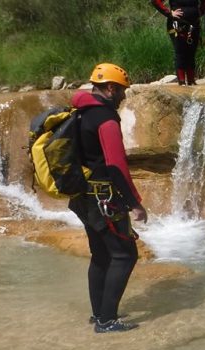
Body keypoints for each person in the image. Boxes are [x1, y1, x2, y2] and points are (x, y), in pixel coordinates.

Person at [68, 63, 148, 332]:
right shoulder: (106, 118)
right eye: (122, 91)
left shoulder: (78, 113)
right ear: (111, 88)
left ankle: (99, 314)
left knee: (101, 254)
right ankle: (106, 320)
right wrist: (135, 203)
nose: (123, 97)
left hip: (82, 195)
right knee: (125, 255)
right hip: (104, 197)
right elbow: (116, 164)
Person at [150, 0, 205, 86]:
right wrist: (168, 13)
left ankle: (191, 80)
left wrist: (200, 11)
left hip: (194, 25)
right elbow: (155, 1)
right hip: (177, 25)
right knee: (181, 53)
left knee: (191, 53)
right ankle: (182, 81)